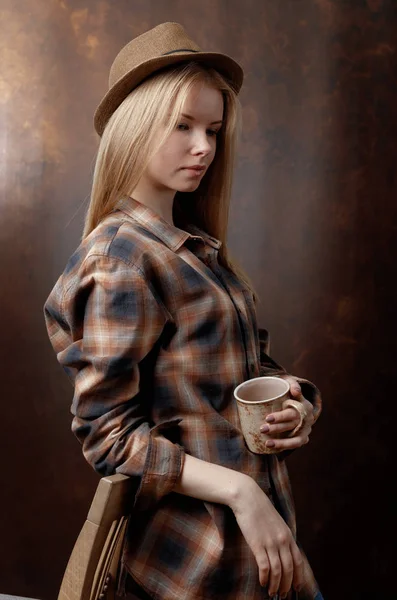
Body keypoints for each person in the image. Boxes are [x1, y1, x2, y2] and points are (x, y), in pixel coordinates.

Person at [44, 22, 323, 600]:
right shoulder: (122, 258)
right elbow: (109, 437)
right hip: (194, 565)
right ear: (135, 126)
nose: (204, 147)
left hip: (262, 549)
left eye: (213, 130)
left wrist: (294, 400)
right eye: (183, 126)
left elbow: (246, 371)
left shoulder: (195, 247)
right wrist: (242, 493)